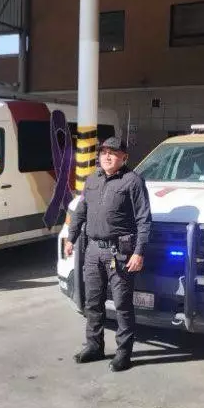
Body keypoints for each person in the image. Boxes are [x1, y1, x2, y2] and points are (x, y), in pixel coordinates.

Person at [64, 136, 152, 372]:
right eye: (104, 152)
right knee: (93, 302)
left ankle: (123, 353)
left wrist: (139, 252)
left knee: (122, 305)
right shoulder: (92, 179)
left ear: (124, 157)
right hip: (93, 250)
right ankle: (94, 346)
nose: (107, 156)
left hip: (119, 253)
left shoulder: (133, 181)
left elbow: (144, 220)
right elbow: (80, 211)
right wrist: (71, 238)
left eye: (113, 153)